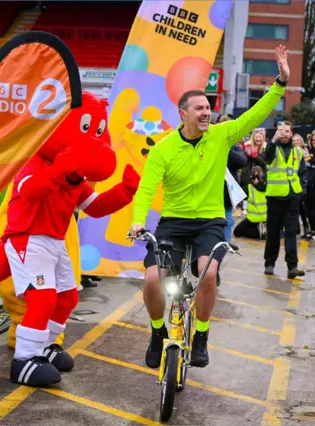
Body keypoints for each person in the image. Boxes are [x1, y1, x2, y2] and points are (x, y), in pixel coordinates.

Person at [129, 45, 290, 369]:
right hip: (173, 222)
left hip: (209, 222)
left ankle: (201, 334)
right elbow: (146, 189)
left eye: (208, 108)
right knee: (151, 281)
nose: (206, 113)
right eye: (199, 108)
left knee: (208, 275)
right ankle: (157, 332)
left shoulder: (220, 135)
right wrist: (137, 223)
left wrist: (281, 82)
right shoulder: (163, 149)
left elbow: (254, 116)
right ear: (183, 114)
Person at [262, 121, 307, 279]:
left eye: (287, 131)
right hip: (275, 196)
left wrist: (301, 192)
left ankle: (292, 267)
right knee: (273, 232)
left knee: (291, 232)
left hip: (292, 197)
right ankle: (269, 263)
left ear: (292, 133)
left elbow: (302, 173)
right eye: (281, 131)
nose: (284, 133)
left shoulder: (299, 152)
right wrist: (273, 140)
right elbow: (266, 158)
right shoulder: (272, 147)